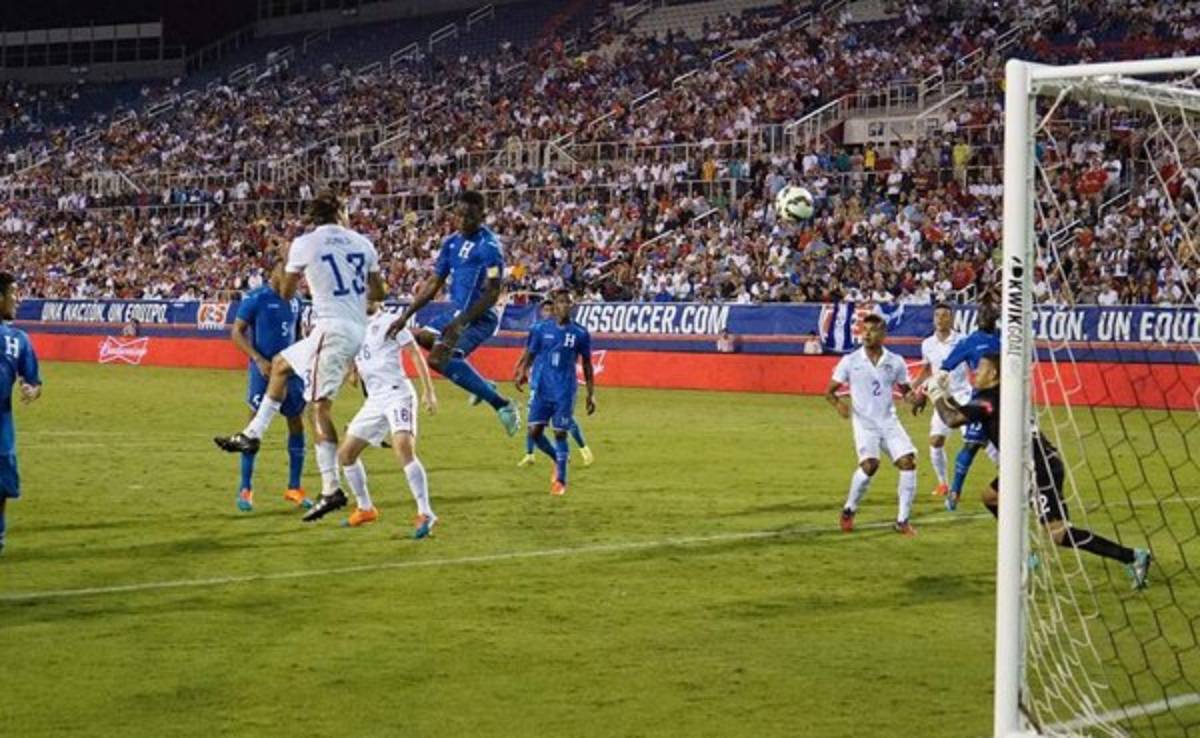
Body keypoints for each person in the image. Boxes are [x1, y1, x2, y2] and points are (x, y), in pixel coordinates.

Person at [214, 190, 387, 524]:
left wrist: (306, 271)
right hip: (351, 328)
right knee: (280, 364)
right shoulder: (364, 244)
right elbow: (380, 293)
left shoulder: (304, 243)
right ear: (340, 214)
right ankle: (253, 435)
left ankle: (331, 488)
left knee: (317, 409)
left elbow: (286, 292)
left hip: (331, 329)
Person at [929, 353, 1152, 589]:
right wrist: (946, 395)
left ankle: (1133, 556)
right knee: (991, 496)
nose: (975, 374)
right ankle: (1023, 554)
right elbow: (962, 412)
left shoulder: (989, 400)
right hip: (1028, 465)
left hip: (1039, 469)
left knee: (1058, 534)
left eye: (981, 369)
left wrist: (935, 394)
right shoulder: (1003, 396)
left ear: (994, 374)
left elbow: (953, 419)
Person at [385, 190, 520, 436]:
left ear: (482, 216)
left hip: (480, 317)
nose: (463, 220)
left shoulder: (489, 248)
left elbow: (492, 293)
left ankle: (503, 404)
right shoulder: (451, 243)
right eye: (459, 215)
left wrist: (462, 321)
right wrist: (405, 315)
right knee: (419, 336)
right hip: (456, 312)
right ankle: (481, 386)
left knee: (437, 359)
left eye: (469, 216)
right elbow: (434, 283)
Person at [335, 301, 440, 538]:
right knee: (346, 454)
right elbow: (353, 355)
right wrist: (351, 370)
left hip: (397, 394)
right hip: (374, 400)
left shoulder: (392, 321)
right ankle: (365, 508)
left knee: (403, 448)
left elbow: (414, 352)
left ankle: (425, 512)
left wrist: (429, 391)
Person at [825, 313, 923, 536]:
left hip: (889, 422)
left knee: (908, 463)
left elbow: (905, 391)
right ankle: (849, 509)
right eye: (864, 329)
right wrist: (838, 404)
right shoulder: (850, 361)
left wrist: (914, 399)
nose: (866, 334)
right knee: (870, 465)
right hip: (864, 423)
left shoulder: (895, 361)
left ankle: (902, 521)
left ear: (883, 333)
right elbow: (828, 391)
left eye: (872, 330)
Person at [229, 265, 310, 512]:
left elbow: (297, 335)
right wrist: (257, 358)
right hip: (262, 372)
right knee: (254, 427)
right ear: (276, 275)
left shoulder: (296, 301)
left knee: (296, 422)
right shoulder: (256, 298)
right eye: (290, 277)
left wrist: (301, 361)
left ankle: (294, 487)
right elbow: (236, 333)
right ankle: (246, 487)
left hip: (290, 371)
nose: (293, 283)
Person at [514, 290, 597, 496]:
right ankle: (556, 458)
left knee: (560, 432)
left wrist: (590, 393)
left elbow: (587, 364)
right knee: (534, 432)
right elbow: (531, 353)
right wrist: (522, 371)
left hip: (565, 390)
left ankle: (561, 480)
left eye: (567, 302)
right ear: (555, 306)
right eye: (560, 302)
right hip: (542, 388)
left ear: (572, 306)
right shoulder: (541, 329)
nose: (564, 306)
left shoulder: (580, 333)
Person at [939, 300, 1001, 510]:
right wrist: (940, 380)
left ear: (995, 317)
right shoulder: (970, 341)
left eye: (988, 313)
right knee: (971, 444)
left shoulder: (1008, 339)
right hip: (982, 401)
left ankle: (1016, 485)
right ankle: (954, 492)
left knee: (1009, 449)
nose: (983, 317)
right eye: (981, 314)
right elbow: (947, 365)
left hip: (1008, 401)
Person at [0, 272, 42, 555]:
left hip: (2, 426)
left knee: (2, 487)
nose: (18, 299)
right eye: (13, 293)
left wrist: (31, 389)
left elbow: (34, 380)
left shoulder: (18, 339)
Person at [910, 303, 971, 497]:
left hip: (962, 395)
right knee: (935, 441)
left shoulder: (962, 340)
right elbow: (928, 369)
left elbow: (974, 364)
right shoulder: (927, 344)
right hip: (941, 397)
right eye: (937, 315)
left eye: (945, 315)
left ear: (951, 319)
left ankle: (1004, 478)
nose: (940, 319)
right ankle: (943, 484)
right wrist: (915, 388)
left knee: (973, 439)